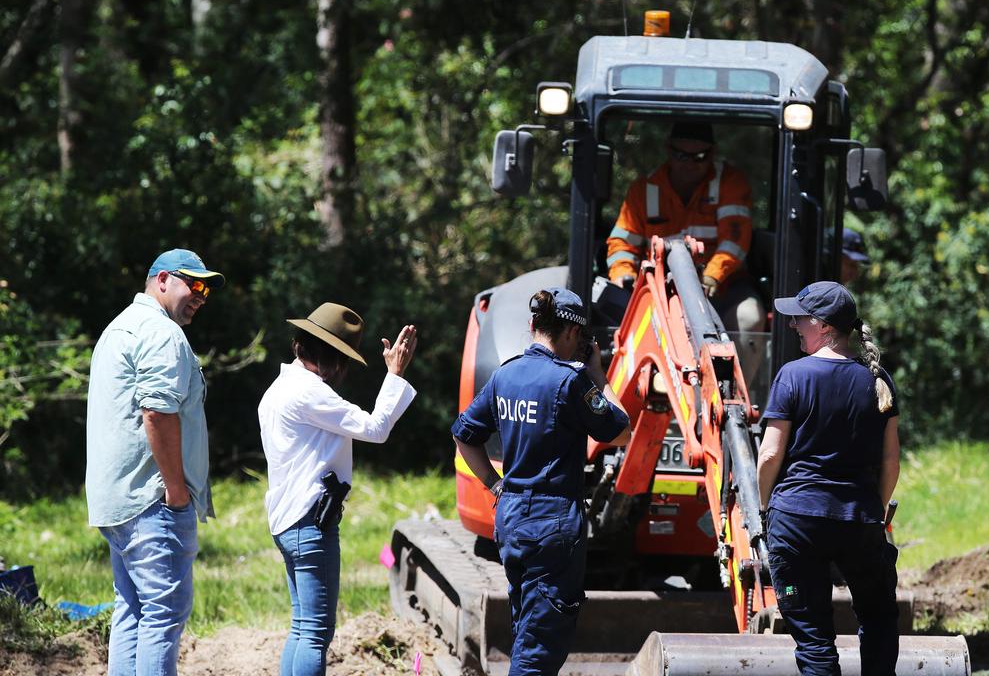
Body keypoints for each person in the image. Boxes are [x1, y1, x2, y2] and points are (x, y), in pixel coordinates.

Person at [452, 288, 631, 675]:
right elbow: (619, 431)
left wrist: (494, 483)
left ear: (533, 324)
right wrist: (599, 374)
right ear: (571, 333)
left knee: (527, 627)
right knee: (541, 647)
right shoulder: (572, 381)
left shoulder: (505, 374)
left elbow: (464, 435)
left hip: (512, 517)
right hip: (552, 524)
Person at [86, 248, 226, 676]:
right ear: (162, 279)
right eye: (194, 283)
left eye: (207, 288)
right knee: (163, 615)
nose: (201, 295)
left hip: (118, 500)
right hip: (154, 501)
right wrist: (178, 492)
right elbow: (158, 413)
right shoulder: (161, 333)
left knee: (132, 609)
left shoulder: (118, 328)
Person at [258, 303, 418, 676]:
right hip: (310, 524)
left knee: (301, 627)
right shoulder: (310, 392)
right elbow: (376, 429)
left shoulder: (279, 388)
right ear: (332, 359)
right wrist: (394, 373)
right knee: (315, 633)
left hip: (287, 521)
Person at [756, 281, 901, 676]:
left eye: (799, 319)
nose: (793, 326)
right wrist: (878, 510)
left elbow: (770, 453)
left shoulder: (793, 376)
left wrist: (767, 507)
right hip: (859, 519)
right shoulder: (877, 380)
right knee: (879, 619)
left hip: (797, 519)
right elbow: (891, 463)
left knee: (815, 639)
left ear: (821, 326)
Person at [605, 121, 765, 334]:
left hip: (722, 289)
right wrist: (624, 276)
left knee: (749, 318)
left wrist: (711, 277)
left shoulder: (730, 183)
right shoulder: (644, 190)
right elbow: (623, 244)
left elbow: (735, 240)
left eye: (699, 157)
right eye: (682, 155)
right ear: (669, 150)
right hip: (657, 291)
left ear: (712, 153)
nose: (690, 163)